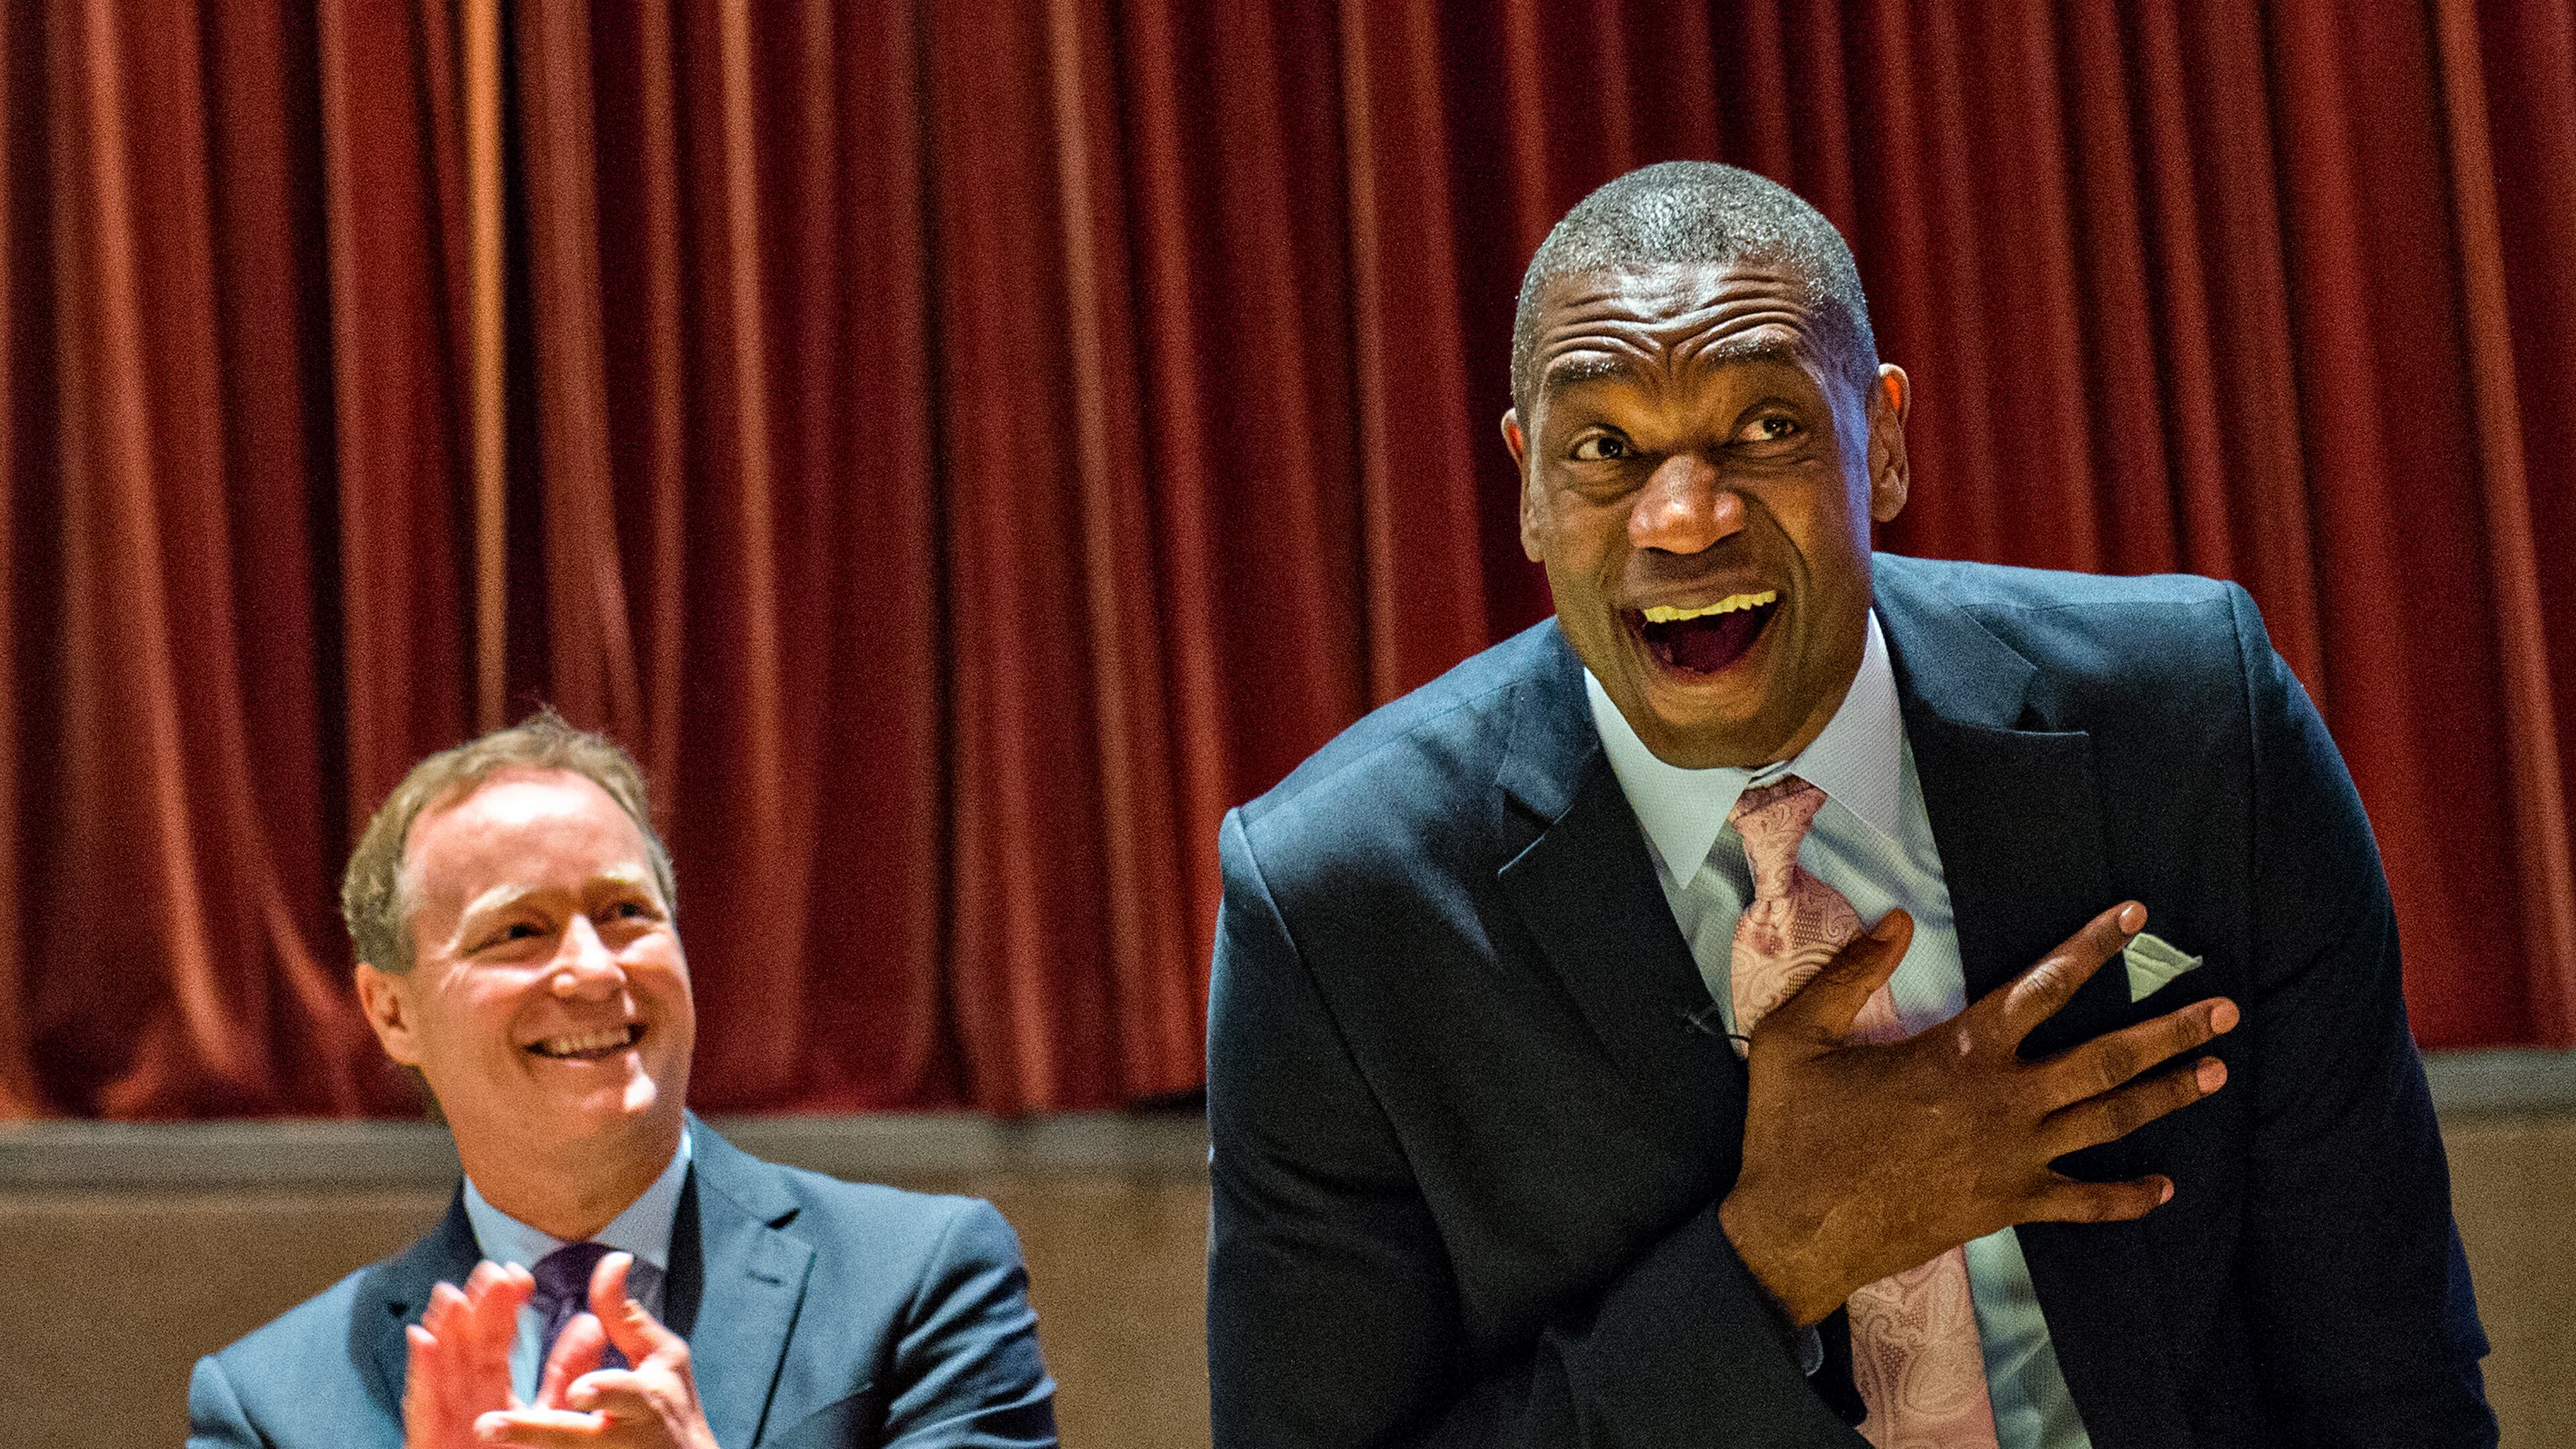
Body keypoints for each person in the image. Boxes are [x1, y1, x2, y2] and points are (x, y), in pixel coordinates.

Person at [1205, 161, 2494, 1447]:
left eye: (1766, 429)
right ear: (1530, 485)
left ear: (1882, 441)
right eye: (1606, 449)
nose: (1686, 517)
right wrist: (1773, 1259)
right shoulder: (1340, 902)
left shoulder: (2195, 729)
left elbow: (2390, 1387)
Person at [189, 712, 1057, 1449]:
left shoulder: (920, 1280)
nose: (595, 971)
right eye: (519, 932)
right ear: (391, 1012)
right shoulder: (271, 1405)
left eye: (625, 914)